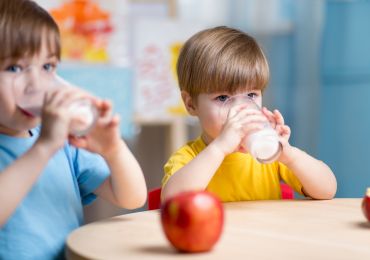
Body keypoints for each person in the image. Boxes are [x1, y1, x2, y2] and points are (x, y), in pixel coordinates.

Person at [0, 0, 147, 259]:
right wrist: (44, 148)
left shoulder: (62, 140)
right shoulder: (51, 141)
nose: (36, 85)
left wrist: (113, 150)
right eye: (15, 68)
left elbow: (132, 198)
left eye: (47, 67)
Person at [161, 26, 337, 202]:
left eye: (251, 95)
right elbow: (172, 202)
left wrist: (289, 155)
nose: (240, 108)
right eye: (222, 97)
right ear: (191, 104)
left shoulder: (269, 155)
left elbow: (328, 190)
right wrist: (220, 148)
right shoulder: (189, 157)